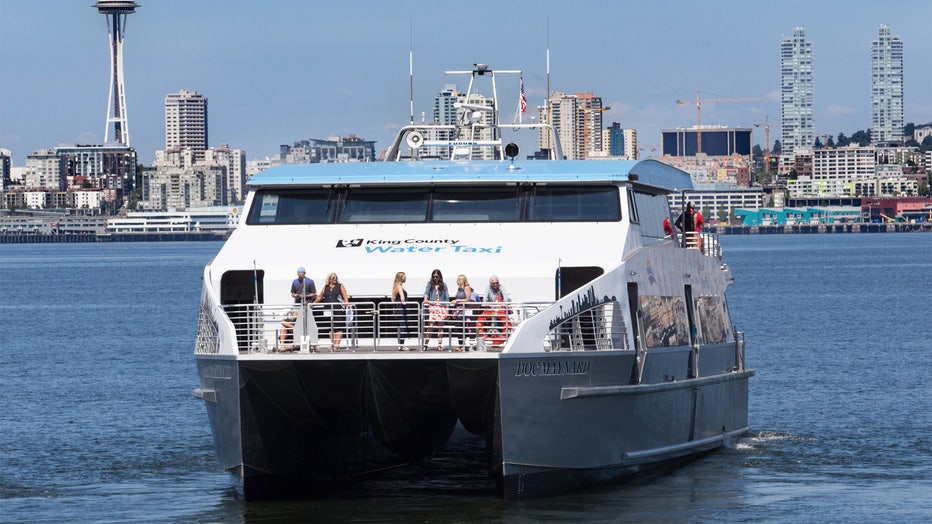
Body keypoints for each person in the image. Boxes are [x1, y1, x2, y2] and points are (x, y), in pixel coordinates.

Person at [314, 272, 349, 351]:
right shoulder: (326, 287)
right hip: (328, 310)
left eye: (336, 277)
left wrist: (347, 303)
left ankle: (337, 344)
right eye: (333, 278)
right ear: (329, 279)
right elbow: (320, 296)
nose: (335, 279)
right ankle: (333, 344)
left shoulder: (340, 286)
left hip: (338, 309)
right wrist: (313, 304)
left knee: (338, 326)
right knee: (331, 327)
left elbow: (345, 295)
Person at [422, 269, 449, 351]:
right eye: (434, 277)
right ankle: (426, 344)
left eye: (436, 276)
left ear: (440, 276)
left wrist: (447, 310)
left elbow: (447, 297)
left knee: (440, 326)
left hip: (441, 306)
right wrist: (425, 299)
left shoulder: (444, 285)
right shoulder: (430, 284)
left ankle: (439, 345)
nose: (435, 278)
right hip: (433, 306)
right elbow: (426, 293)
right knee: (430, 326)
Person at [450, 274, 474, 352]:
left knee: (462, 328)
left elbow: (468, 299)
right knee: (458, 328)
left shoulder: (467, 288)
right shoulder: (459, 289)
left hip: (463, 311)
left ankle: (463, 345)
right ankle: (460, 345)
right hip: (458, 311)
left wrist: (457, 300)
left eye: (458, 280)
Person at [391, 271, 411, 350]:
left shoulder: (396, 286)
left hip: (399, 310)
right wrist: (403, 301)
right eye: (404, 277)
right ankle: (401, 345)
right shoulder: (399, 286)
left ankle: (401, 344)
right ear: (400, 278)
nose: (405, 278)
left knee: (402, 326)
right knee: (403, 326)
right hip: (402, 310)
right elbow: (402, 296)